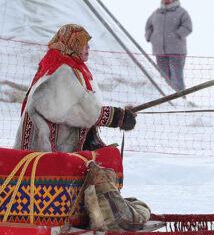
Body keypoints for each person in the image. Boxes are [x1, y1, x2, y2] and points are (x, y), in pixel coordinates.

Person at [17, 24, 137, 153]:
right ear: (72, 45)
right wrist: (119, 117)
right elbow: (82, 112)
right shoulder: (62, 71)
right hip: (47, 153)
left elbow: (79, 107)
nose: (88, 47)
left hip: (45, 149)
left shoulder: (60, 66)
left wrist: (121, 114)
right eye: (83, 43)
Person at [145, 0, 193, 92]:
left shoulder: (181, 12)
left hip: (176, 51)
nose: (166, 0)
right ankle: (166, 98)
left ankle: (180, 97)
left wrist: (176, 35)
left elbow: (188, 27)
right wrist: (150, 37)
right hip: (159, 51)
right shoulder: (156, 13)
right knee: (163, 77)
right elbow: (148, 26)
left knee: (177, 76)